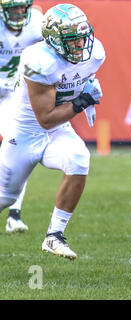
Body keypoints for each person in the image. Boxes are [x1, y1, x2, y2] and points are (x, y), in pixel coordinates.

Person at [0, 3, 105, 259]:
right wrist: (83, 101)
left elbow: (82, 74)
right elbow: (46, 118)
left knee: (79, 158)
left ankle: (54, 236)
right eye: (73, 40)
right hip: (24, 133)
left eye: (83, 37)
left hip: (59, 130)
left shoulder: (96, 52)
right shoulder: (39, 61)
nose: (81, 45)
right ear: (56, 40)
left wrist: (86, 87)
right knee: (6, 196)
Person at [0, 0, 43, 233]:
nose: (18, 12)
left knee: (19, 147)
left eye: (21, 8)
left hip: (13, 96)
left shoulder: (36, 24)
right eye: (12, 8)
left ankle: (14, 214)